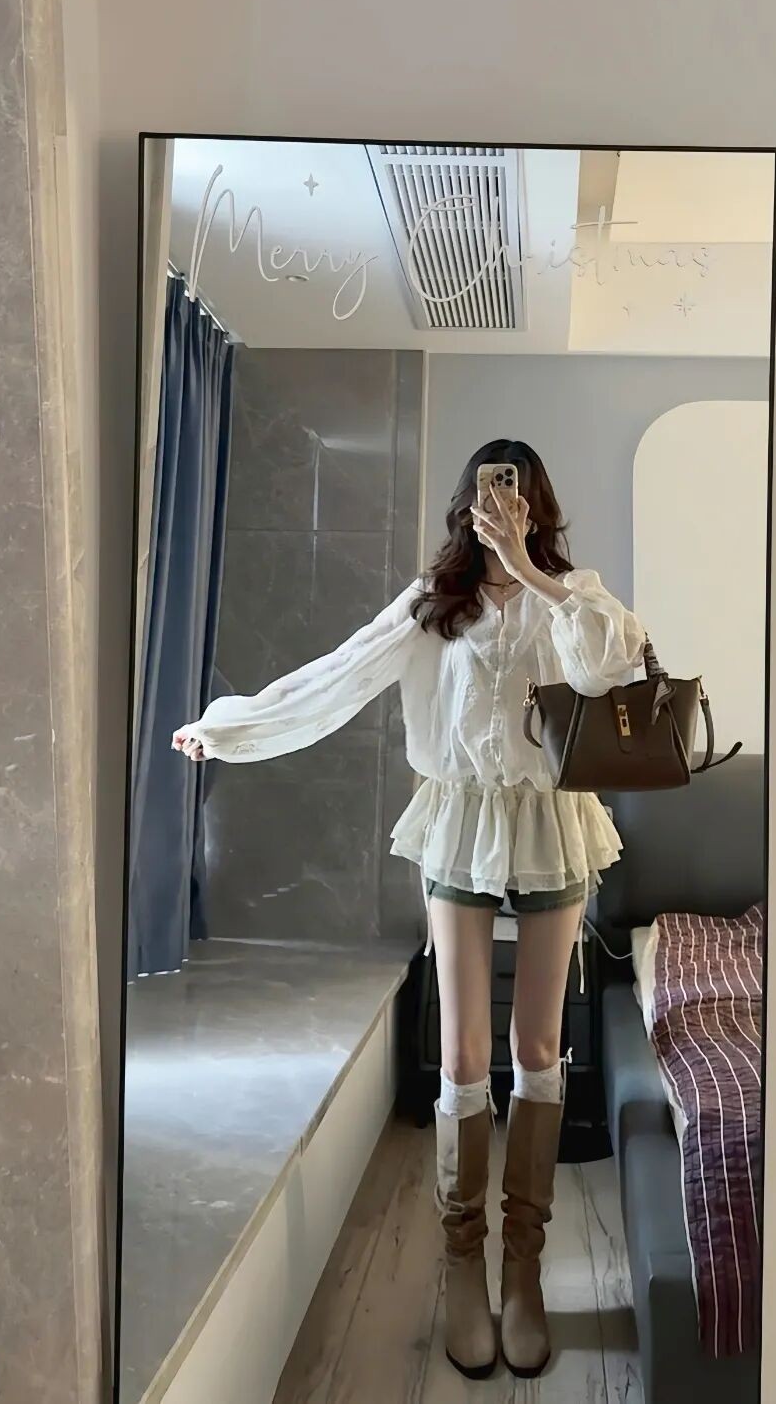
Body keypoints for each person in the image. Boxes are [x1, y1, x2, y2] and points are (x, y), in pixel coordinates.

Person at [173, 439, 645, 1380]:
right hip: (460, 820)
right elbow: (341, 672)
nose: (500, 504)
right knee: (464, 1052)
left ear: (536, 504)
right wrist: (234, 727)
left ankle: (522, 1267)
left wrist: (529, 571)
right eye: (487, 492)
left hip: (550, 819)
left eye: (515, 492)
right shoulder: (436, 603)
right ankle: (463, 1262)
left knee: (538, 1046)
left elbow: (615, 667)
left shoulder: (570, 595)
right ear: (466, 504)